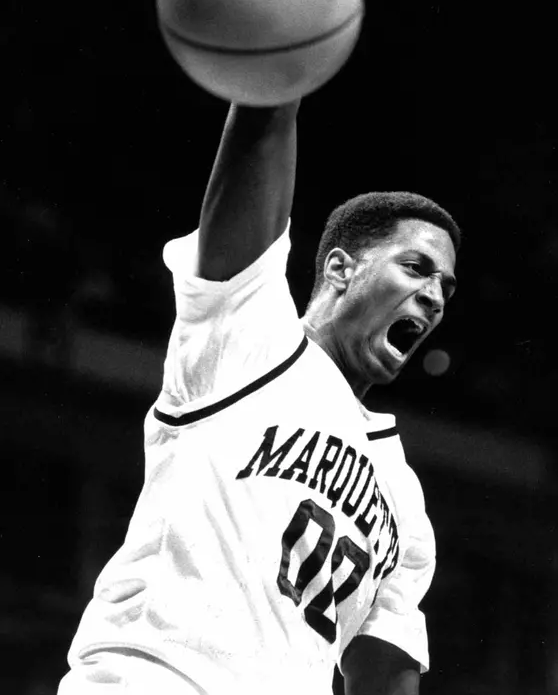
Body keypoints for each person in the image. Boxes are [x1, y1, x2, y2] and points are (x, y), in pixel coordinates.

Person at [57, 97, 461, 695]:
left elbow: (386, 674)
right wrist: (278, 72)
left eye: (445, 288)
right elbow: (260, 139)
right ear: (341, 268)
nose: (434, 296)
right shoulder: (248, 336)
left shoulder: (404, 501)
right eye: (415, 267)